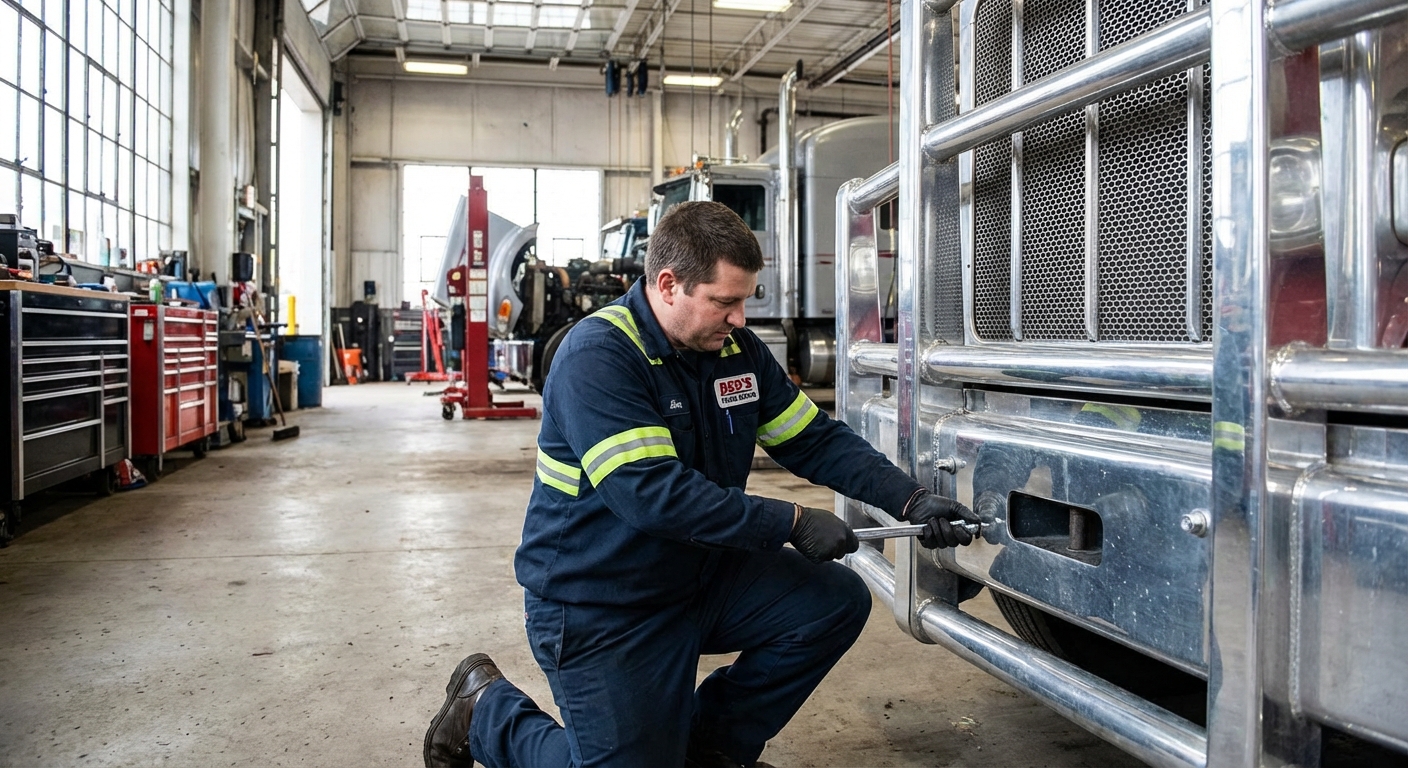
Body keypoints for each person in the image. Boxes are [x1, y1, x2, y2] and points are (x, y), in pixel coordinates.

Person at [424, 201, 980, 768]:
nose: (739, 318)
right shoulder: (600, 356)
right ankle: (485, 711)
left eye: (744, 301)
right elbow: (651, 494)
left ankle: (711, 750)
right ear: (668, 285)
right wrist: (787, 522)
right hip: (601, 600)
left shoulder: (735, 351)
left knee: (832, 602)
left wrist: (907, 497)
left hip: (695, 574)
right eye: (724, 301)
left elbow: (813, 439)